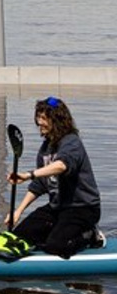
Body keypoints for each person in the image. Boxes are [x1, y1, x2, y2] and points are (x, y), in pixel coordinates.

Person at [7, 97, 104, 258]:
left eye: (44, 118)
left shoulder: (71, 142)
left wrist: (29, 174)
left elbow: (61, 165)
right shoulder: (45, 149)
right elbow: (39, 185)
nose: (39, 122)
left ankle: (91, 235)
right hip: (57, 207)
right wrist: (17, 212)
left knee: (56, 246)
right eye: (38, 117)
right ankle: (54, 232)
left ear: (57, 120)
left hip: (83, 208)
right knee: (18, 238)